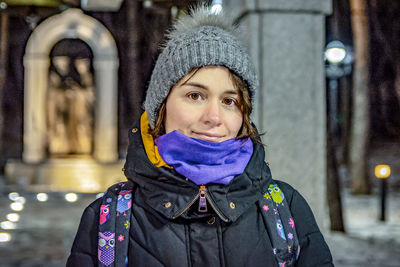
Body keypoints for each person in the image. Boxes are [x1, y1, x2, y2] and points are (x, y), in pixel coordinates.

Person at [67, 5, 333, 267]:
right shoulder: (108, 221)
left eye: (230, 101)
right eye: (195, 95)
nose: (214, 117)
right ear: (160, 107)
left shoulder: (285, 209)